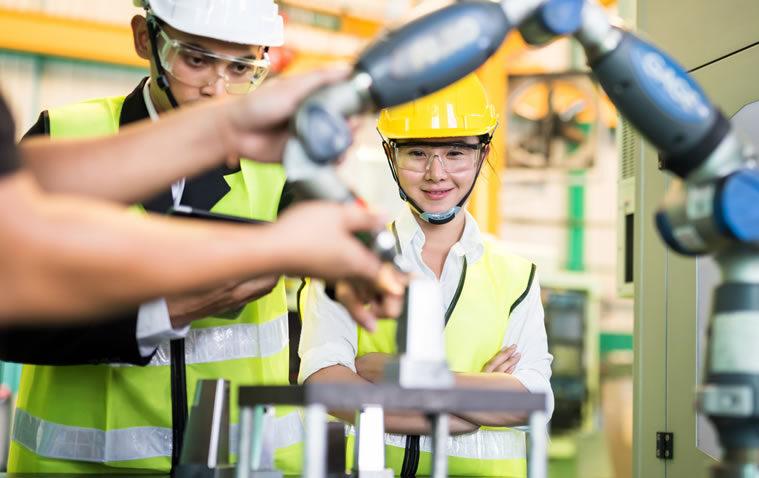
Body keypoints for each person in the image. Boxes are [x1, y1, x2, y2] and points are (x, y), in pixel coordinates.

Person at [5, 0, 399, 474]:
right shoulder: (63, 135)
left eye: (241, 68)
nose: (218, 89)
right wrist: (167, 308)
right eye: (195, 59)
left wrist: (350, 271)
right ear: (144, 38)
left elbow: (327, 242)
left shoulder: (279, 158)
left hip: (241, 460)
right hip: (79, 465)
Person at [298, 74, 553, 477]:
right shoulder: (347, 261)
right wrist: (462, 414)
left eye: (455, 153)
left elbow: (530, 400)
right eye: (417, 153)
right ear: (390, 154)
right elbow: (325, 384)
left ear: (482, 156)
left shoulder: (517, 275)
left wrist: (389, 372)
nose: (436, 173)